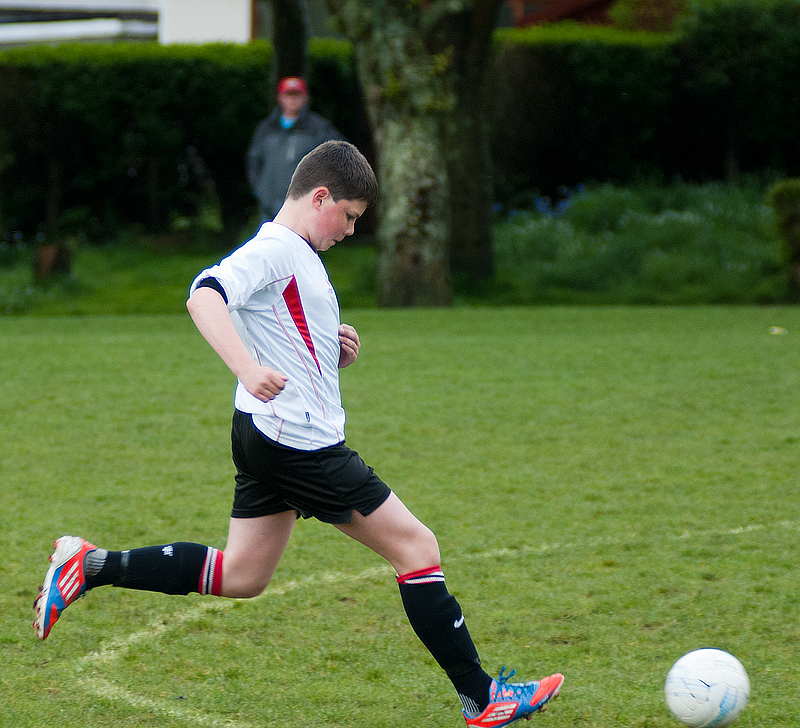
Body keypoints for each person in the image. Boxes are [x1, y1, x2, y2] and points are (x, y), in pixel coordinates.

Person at [33, 141, 563, 728]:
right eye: (351, 216)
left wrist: (332, 351)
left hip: (265, 434)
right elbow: (204, 294)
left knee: (242, 576)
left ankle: (91, 564)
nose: (352, 230)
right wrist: (245, 368)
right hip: (299, 444)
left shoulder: (299, 256)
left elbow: (282, 329)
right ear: (320, 197)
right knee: (417, 548)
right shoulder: (276, 250)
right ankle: (483, 698)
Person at [247, 76, 344, 223]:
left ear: (305, 98)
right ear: (280, 98)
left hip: (305, 206)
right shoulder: (266, 128)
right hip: (269, 208)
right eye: (288, 95)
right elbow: (254, 161)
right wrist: (261, 190)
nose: (292, 100)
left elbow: (341, 157)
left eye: (297, 95)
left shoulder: (318, 128)